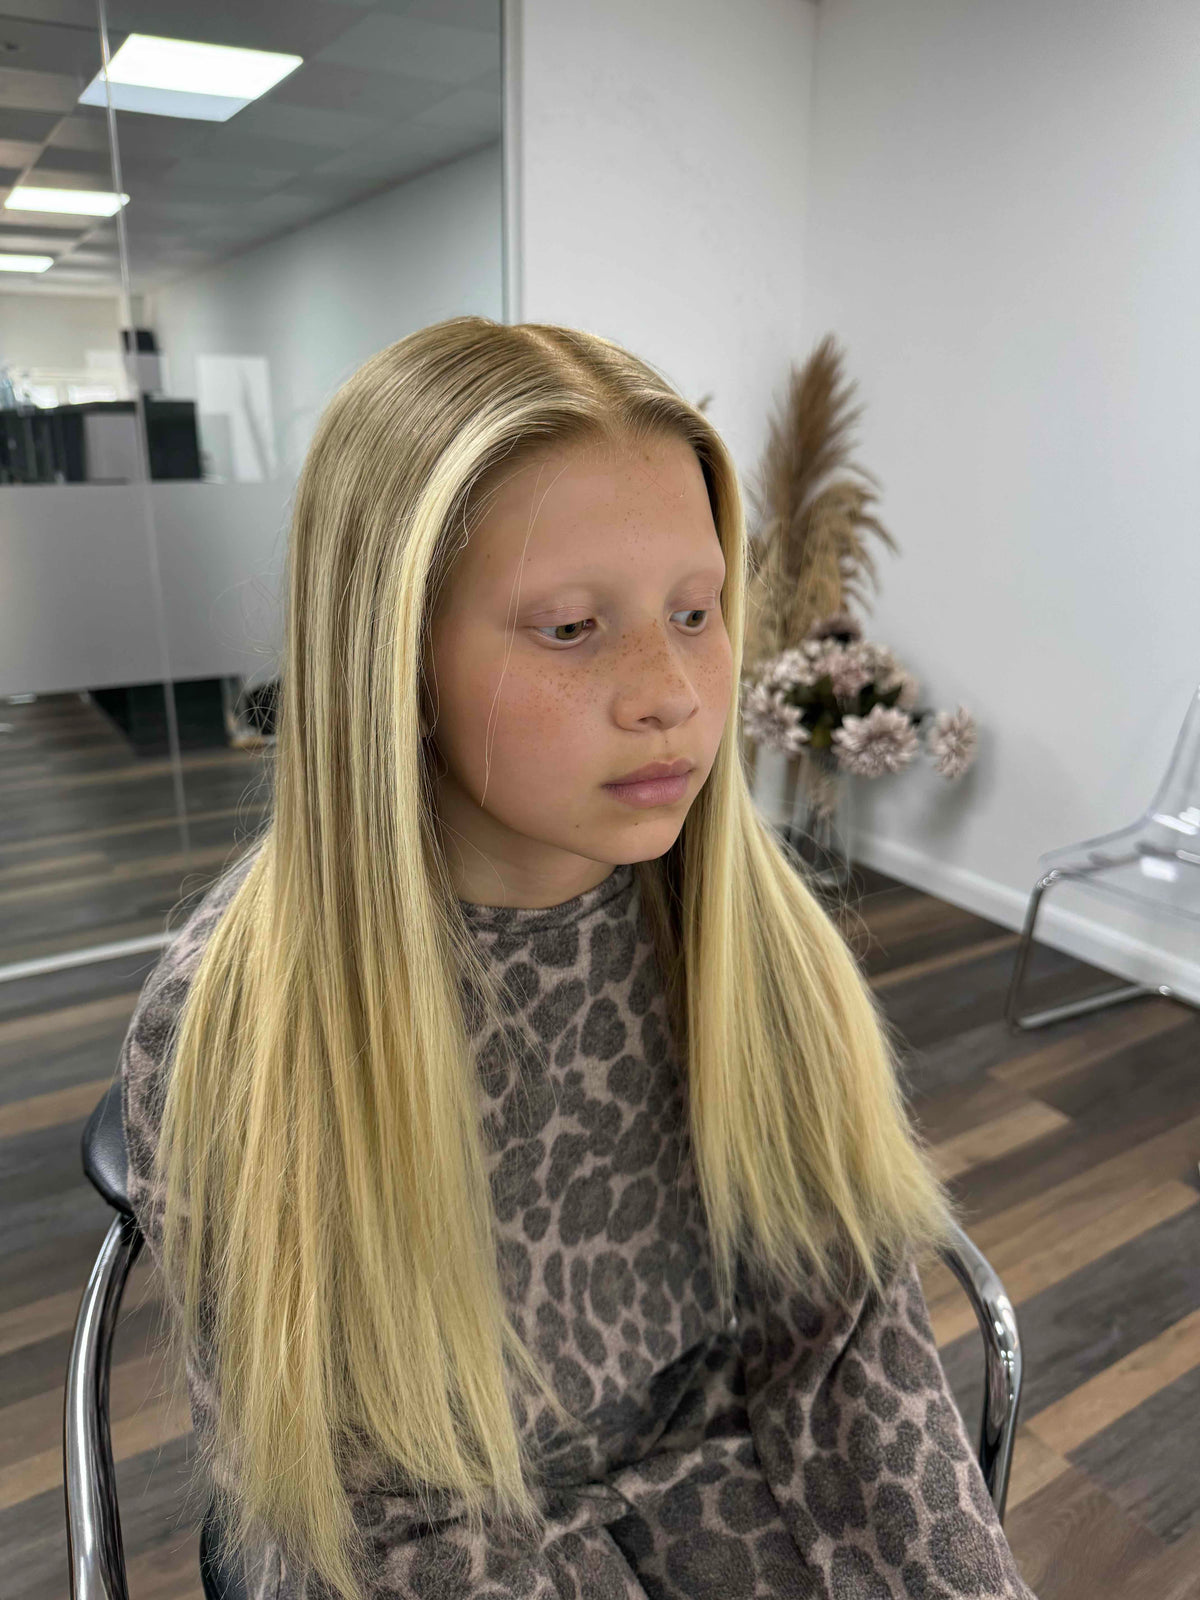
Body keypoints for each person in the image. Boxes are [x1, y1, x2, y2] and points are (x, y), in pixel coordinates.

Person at [119, 315, 1037, 1600]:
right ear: (396, 660)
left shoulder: (755, 941)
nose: (671, 689)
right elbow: (380, 1520)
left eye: (697, 610)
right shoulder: (250, 1033)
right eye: (569, 628)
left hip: (731, 1480)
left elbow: (844, 1351)